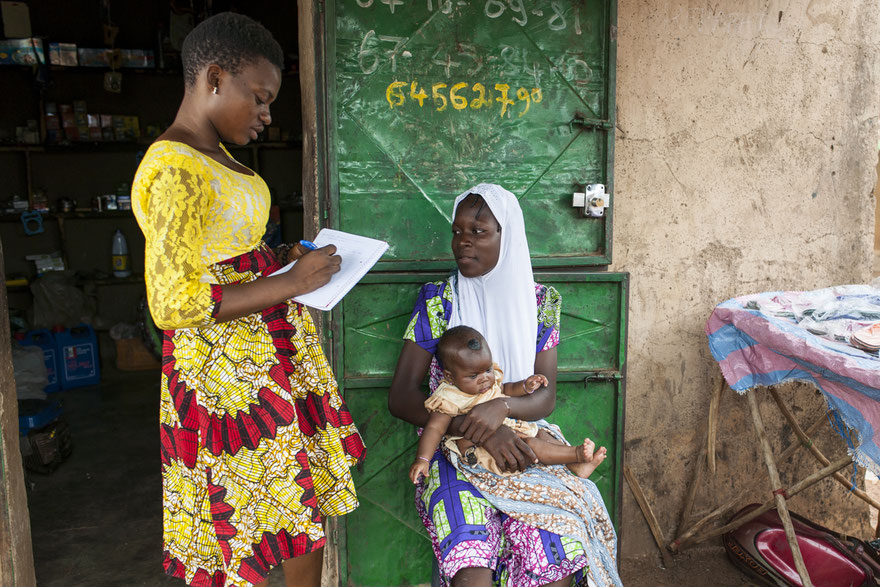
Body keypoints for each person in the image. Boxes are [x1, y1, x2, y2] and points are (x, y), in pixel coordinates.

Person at [131, 13, 364, 587]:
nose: (266, 115)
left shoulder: (219, 159)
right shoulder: (173, 168)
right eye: (260, 99)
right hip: (226, 380)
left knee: (301, 505)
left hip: (269, 356)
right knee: (249, 523)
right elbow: (172, 302)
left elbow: (222, 255)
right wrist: (291, 283)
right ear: (213, 78)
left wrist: (279, 258)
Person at [389, 183, 621, 587]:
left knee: (552, 558)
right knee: (471, 569)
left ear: (507, 236)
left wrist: (503, 410)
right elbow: (402, 396)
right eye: (457, 231)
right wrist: (479, 429)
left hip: (525, 442)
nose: (463, 242)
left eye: (479, 232)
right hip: (455, 450)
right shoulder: (439, 301)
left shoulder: (541, 303)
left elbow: (544, 396)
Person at [408, 325, 607, 480]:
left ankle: (578, 466)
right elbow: (434, 428)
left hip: (512, 428)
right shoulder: (449, 398)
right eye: (473, 375)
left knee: (542, 433)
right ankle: (577, 454)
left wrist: (526, 386)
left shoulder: (488, 381)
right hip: (485, 449)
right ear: (450, 377)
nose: (484, 378)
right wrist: (423, 459)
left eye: (487, 370)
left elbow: (505, 390)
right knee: (530, 444)